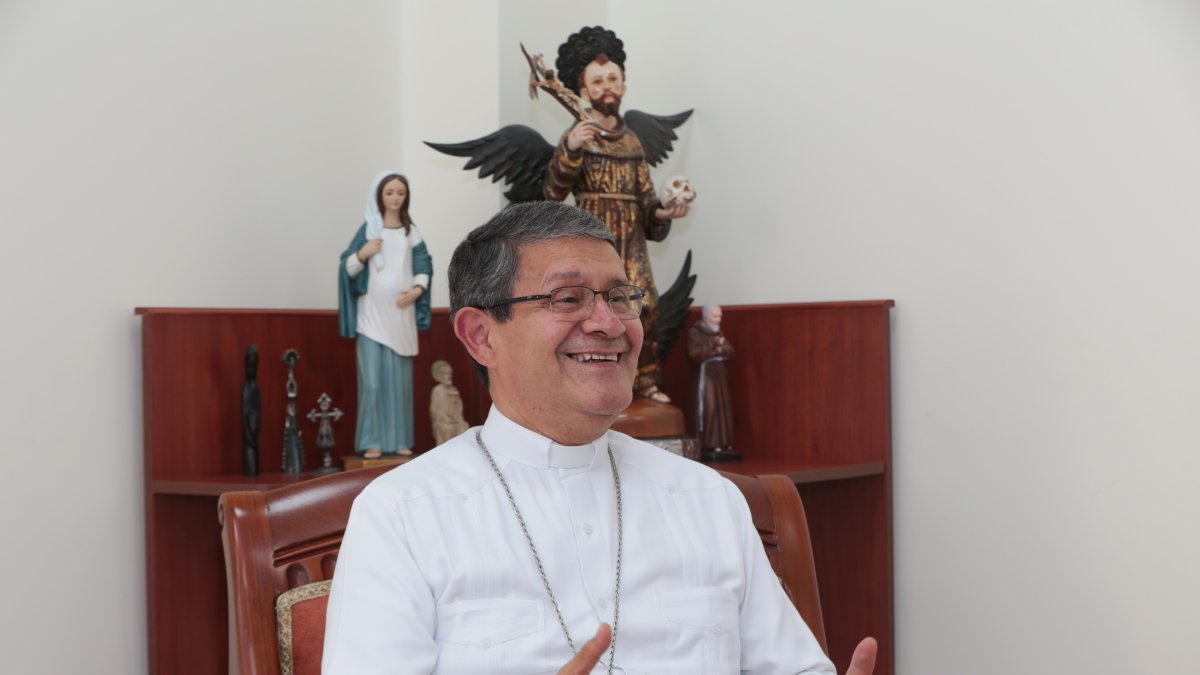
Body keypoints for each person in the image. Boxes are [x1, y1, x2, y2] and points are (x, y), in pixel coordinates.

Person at [323, 201, 877, 674]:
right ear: (479, 336)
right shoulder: (401, 516)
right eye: (568, 299)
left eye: (619, 297)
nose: (609, 324)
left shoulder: (709, 499)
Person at [543, 26, 690, 404]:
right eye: (598, 81)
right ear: (584, 89)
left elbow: (645, 201)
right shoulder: (577, 135)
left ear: (623, 85)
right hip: (594, 237)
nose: (606, 86)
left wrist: (665, 210)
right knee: (598, 309)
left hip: (633, 239)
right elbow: (553, 193)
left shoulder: (631, 141)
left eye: (613, 79)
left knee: (647, 305)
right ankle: (597, 384)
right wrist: (572, 147)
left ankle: (644, 379)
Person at [337, 171, 433, 459]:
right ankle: (372, 440)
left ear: (406, 197)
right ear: (379, 195)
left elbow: (423, 263)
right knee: (373, 382)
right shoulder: (368, 229)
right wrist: (363, 254)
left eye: (400, 193)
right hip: (370, 317)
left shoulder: (409, 231)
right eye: (389, 192)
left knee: (399, 383)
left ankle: (399, 439)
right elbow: (347, 268)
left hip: (400, 316)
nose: (395, 198)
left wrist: (418, 288)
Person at [688, 304, 737, 460]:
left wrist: (721, 348)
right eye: (715, 316)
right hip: (707, 374)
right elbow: (695, 353)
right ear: (706, 316)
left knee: (723, 408)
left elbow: (729, 351)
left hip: (720, 375)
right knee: (710, 407)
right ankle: (709, 442)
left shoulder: (717, 331)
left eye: (720, 316)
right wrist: (715, 347)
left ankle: (723, 442)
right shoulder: (696, 332)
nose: (718, 319)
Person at [429, 359, 469, 445]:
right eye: (446, 374)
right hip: (443, 421)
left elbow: (459, 407)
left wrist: (458, 418)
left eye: (450, 374)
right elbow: (434, 409)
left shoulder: (454, 390)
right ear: (440, 375)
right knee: (446, 428)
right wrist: (445, 417)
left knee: (464, 426)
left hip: (455, 420)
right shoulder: (437, 390)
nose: (449, 376)